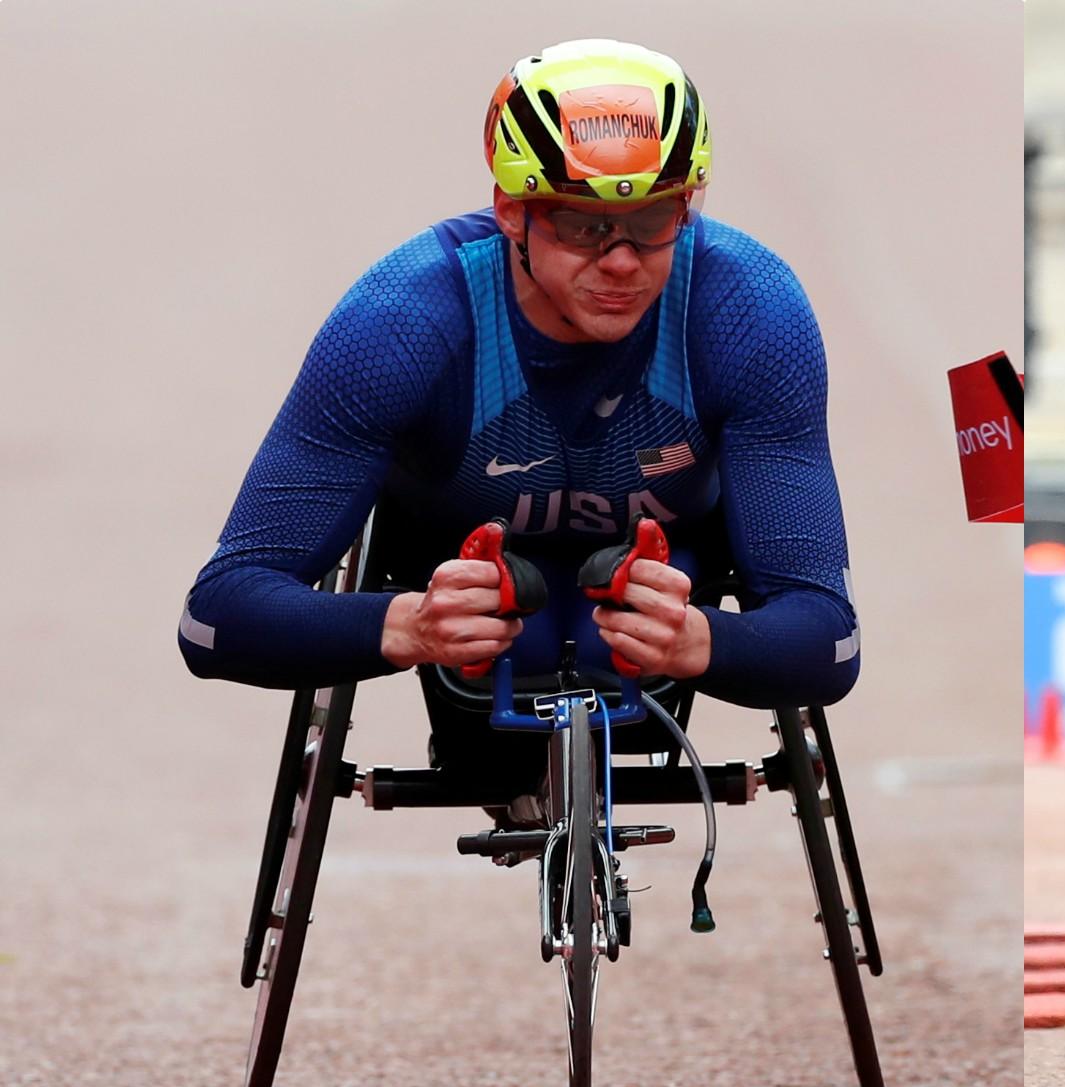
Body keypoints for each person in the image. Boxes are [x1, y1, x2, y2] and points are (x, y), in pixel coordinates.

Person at [179, 39, 861, 756]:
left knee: (608, 637)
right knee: (528, 640)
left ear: (688, 206)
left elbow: (829, 639)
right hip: (455, 580)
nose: (622, 259)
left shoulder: (750, 310)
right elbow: (216, 614)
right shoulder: (399, 323)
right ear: (511, 211)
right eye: (583, 223)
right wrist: (408, 626)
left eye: (654, 219)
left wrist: (703, 638)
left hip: (661, 579)